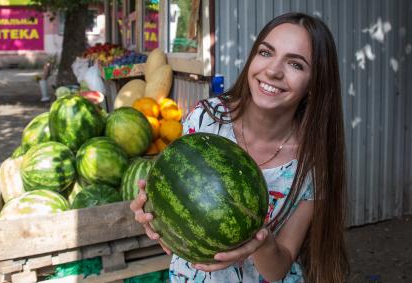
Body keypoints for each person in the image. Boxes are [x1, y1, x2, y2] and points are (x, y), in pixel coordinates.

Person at [130, 12, 349, 283]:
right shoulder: (205, 120)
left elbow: (278, 269)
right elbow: (175, 191)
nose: (273, 70)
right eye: (266, 53)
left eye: (295, 64)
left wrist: (261, 242)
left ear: (314, 84)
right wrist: (154, 213)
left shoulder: (310, 163)